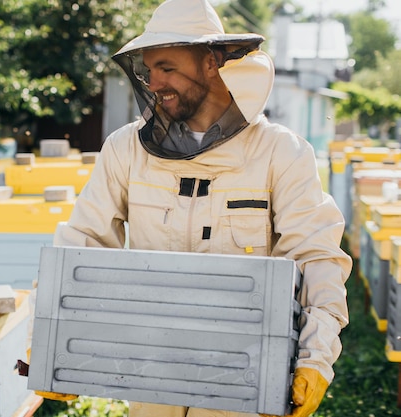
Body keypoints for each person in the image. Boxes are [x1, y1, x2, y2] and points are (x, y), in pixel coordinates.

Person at [35, 0, 352, 416]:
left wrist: (314, 357)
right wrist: (50, 346)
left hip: (244, 372)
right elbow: (82, 245)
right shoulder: (125, 149)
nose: (154, 81)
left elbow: (317, 259)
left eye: (167, 67)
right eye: (149, 70)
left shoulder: (281, 153)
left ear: (210, 62)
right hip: (151, 370)